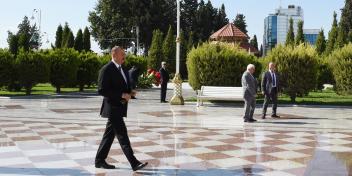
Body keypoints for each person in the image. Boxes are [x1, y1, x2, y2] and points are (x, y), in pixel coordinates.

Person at [95, 46, 148, 171]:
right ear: (114, 55)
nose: (124, 56)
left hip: (120, 107)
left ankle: (99, 160)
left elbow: (122, 87)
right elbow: (102, 90)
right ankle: (133, 162)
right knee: (122, 135)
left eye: (124, 54)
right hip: (112, 108)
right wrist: (120, 95)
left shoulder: (122, 69)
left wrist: (130, 93)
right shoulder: (106, 69)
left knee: (108, 136)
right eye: (122, 54)